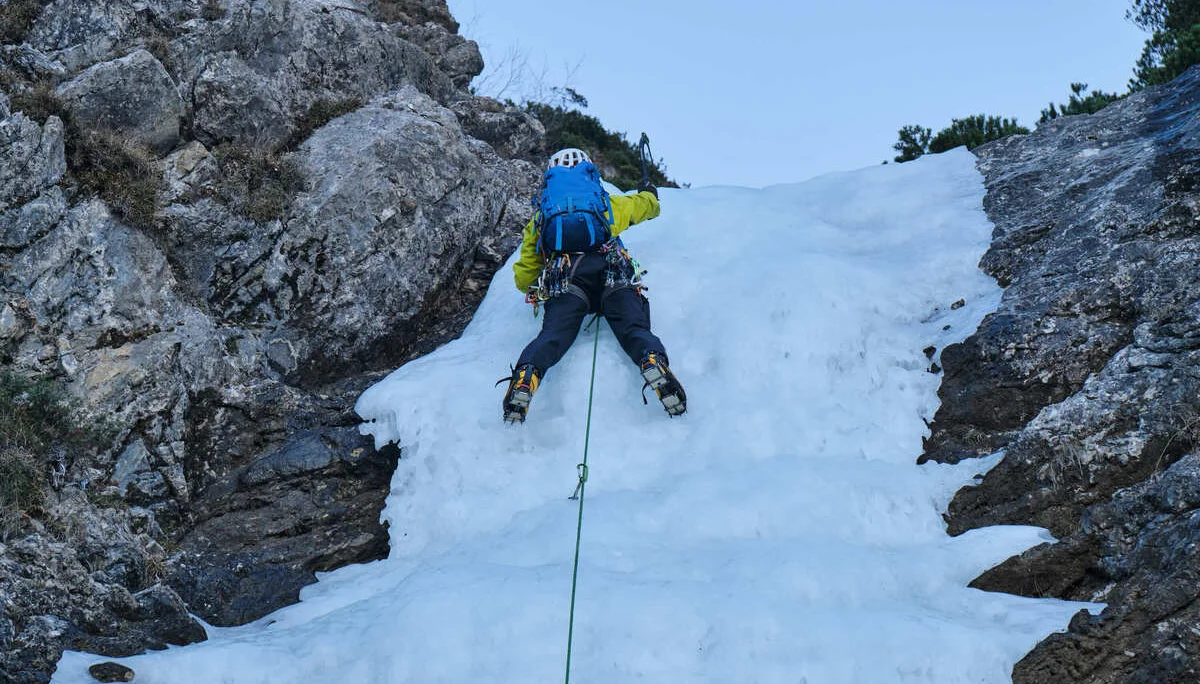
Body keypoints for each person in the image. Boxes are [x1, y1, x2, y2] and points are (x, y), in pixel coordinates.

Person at [500, 147, 686, 423]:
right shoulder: (605, 205)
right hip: (613, 272)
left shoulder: (541, 217)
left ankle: (527, 375)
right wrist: (649, 192)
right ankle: (651, 360)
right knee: (633, 328)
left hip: (567, 279)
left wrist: (538, 282)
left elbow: (524, 277)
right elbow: (647, 206)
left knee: (553, 336)